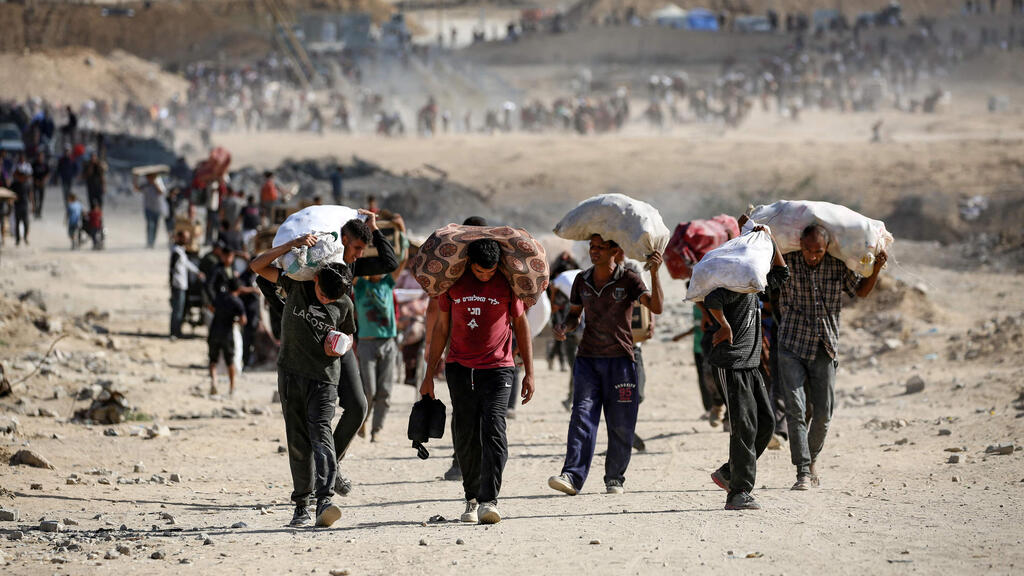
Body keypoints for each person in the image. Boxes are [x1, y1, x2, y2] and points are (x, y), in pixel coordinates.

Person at [420, 239, 535, 524]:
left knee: (494, 429)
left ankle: (489, 500)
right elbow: (442, 328)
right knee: (465, 433)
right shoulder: (453, 285)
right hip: (459, 369)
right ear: (470, 264)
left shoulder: (507, 285)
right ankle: (471, 497)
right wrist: (427, 375)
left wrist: (530, 372)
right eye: (481, 272)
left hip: (499, 369)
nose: (486, 276)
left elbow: (521, 325)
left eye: (491, 271)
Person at [250, 234, 353, 528]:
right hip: (291, 373)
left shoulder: (344, 303)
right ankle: (301, 505)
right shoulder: (295, 284)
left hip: (325, 378)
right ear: (316, 279)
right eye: (322, 294)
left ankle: (325, 501)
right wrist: (289, 245)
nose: (325, 301)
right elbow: (258, 265)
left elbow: (349, 334)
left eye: (331, 300)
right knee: (297, 440)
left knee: (321, 436)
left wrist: (341, 342)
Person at [548, 235, 663, 496]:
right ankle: (572, 476)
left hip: (621, 360)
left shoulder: (630, 279)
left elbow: (655, 306)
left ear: (616, 251)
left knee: (621, 422)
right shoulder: (582, 280)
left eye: (600, 248)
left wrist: (655, 273)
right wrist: (564, 327)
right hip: (587, 360)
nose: (594, 251)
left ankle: (614, 478)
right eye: (592, 247)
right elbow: (575, 315)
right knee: (581, 416)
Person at [778, 225, 887, 490]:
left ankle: (812, 458)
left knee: (824, 413)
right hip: (791, 344)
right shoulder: (787, 261)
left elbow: (860, 291)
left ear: (827, 248)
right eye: (807, 249)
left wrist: (877, 269)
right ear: (799, 245)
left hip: (824, 346)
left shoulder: (838, 266)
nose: (811, 256)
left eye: (817, 251)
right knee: (796, 408)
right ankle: (803, 471)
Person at [703, 226, 789, 511]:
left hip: (751, 365)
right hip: (731, 363)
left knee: (765, 423)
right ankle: (738, 492)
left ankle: (729, 472)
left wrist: (771, 240)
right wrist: (724, 325)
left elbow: (782, 274)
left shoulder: (755, 282)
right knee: (744, 426)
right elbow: (712, 298)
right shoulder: (733, 281)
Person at [353, 265, 403, 442]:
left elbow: (401, 262)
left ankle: (377, 430)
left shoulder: (387, 283)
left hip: (388, 341)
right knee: (369, 390)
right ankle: (362, 421)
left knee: (385, 390)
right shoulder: (360, 286)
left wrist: (401, 240)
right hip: (366, 343)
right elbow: (352, 270)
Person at [208, 278, 247, 395]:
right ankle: (232, 386)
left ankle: (214, 382)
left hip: (214, 331)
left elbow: (210, 307)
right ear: (239, 289)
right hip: (227, 333)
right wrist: (234, 320)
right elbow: (243, 320)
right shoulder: (237, 302)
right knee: (229, 360)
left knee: (212, 359)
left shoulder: (220, 296)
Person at [170, 230, 201, 338]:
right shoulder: (176, 252)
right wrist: (173, 284)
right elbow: (172, 270)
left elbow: (187, 264)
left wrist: (198, 272)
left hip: (182, 285)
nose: (187, 240)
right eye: (185, 237)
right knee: (177, 310)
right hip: (178, 285)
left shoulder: (181, 251)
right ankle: (174, 332)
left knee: (180, 309)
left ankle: (177, 331)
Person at [135, 172, 167, 249]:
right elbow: (137, 189)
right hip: (148, 208)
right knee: (150, 225)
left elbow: (162, 192)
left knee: (155, 226)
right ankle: (149, 242)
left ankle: (152, 242)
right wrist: (135, 178)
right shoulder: (145, 185)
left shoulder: (159, 183)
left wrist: (155, 184)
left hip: (157, 208)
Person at [10, 165, 32, 246]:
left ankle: (25, 238)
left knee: (26, 223)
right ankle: (18, 240)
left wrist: (32, 204)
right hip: (17, 206)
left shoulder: (27, 184)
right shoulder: (14, 184)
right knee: (17, 223)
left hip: (25, 205)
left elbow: (30, 194)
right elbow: (10, 193)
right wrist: (13, 199)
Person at [30, 151, 49, 220]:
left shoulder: (45, 164)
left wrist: (44, 180)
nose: (40, 158)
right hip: (35, 183)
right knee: (35, 198)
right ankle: (35, 211)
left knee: (41, 199)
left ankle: (39, 212)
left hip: (42, 184)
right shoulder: (34, 164)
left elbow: (48, 173)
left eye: (41, 156)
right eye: (39, 156)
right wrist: (35, 181)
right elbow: (31, 173)